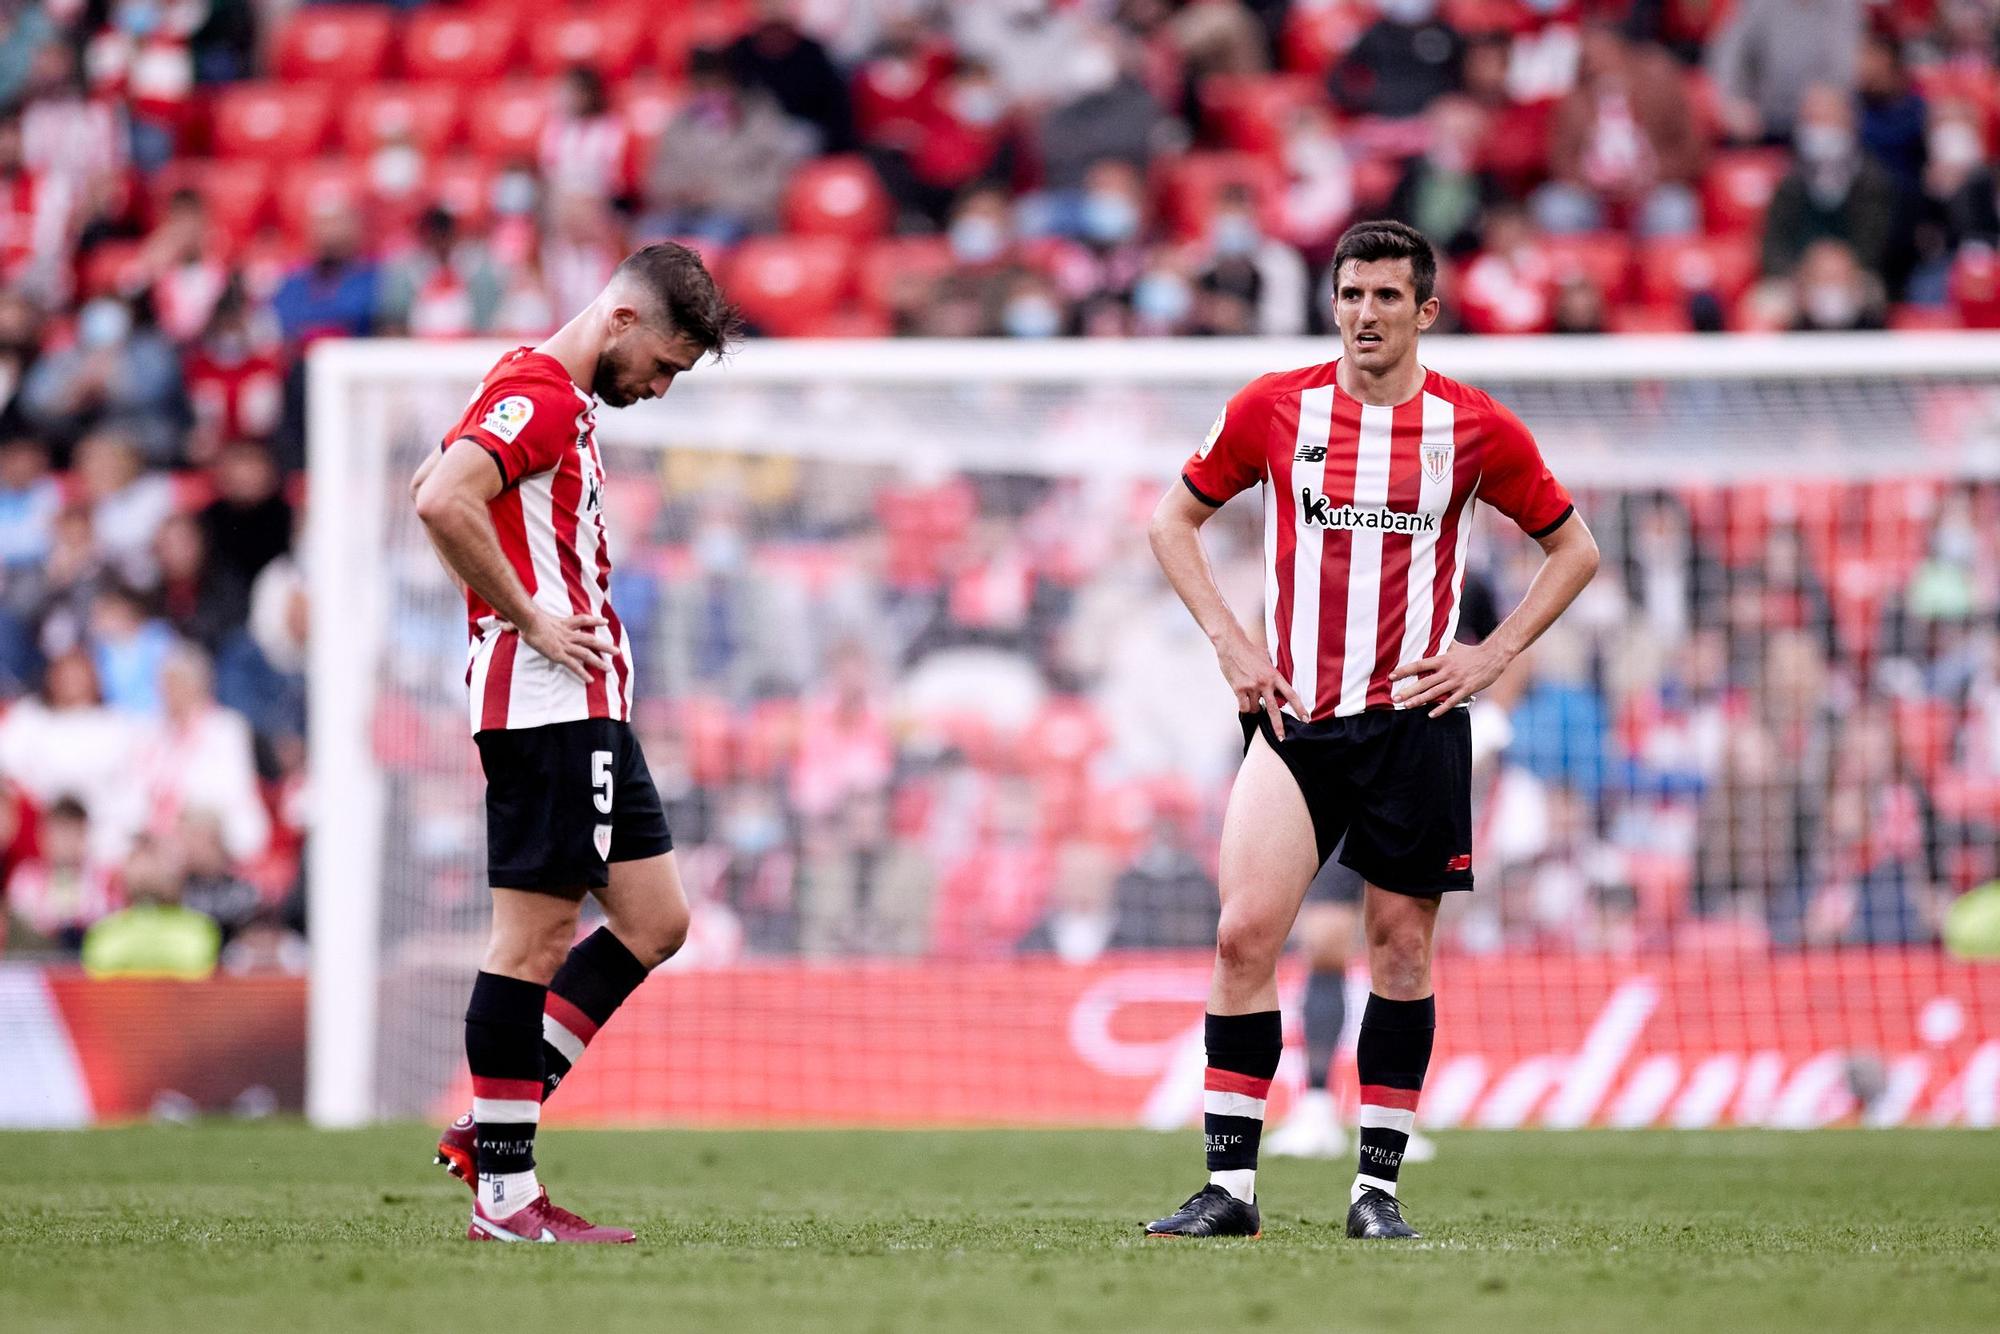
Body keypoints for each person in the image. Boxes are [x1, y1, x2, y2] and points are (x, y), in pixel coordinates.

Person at [1141, 220, 1598, 1240]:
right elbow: (1170, 519)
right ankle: (1231, 1189)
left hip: (1413, 725)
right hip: (1294, 720)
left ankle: (1374, 1190)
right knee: (1239, 934)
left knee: (1398, 952)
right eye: (1349, 295)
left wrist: (1492, 653)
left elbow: (1572, 550)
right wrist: (1226, 640)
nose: (1363, 314)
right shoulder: (1274, 406)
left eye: (1386, 297)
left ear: (1422, 311)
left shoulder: (1473, 428)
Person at [410, 243, 740, 1244]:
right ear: (623, 323)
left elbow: (435, 470)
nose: (660, 388)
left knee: (655, 918)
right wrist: (528, 615)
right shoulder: (546, 394)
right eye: (666, 366)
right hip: (547, 702)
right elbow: (439, 497)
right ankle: (505, 1197)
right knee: (530, 940)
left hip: (587, 704)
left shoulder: (542, 392)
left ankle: (491, 1127)